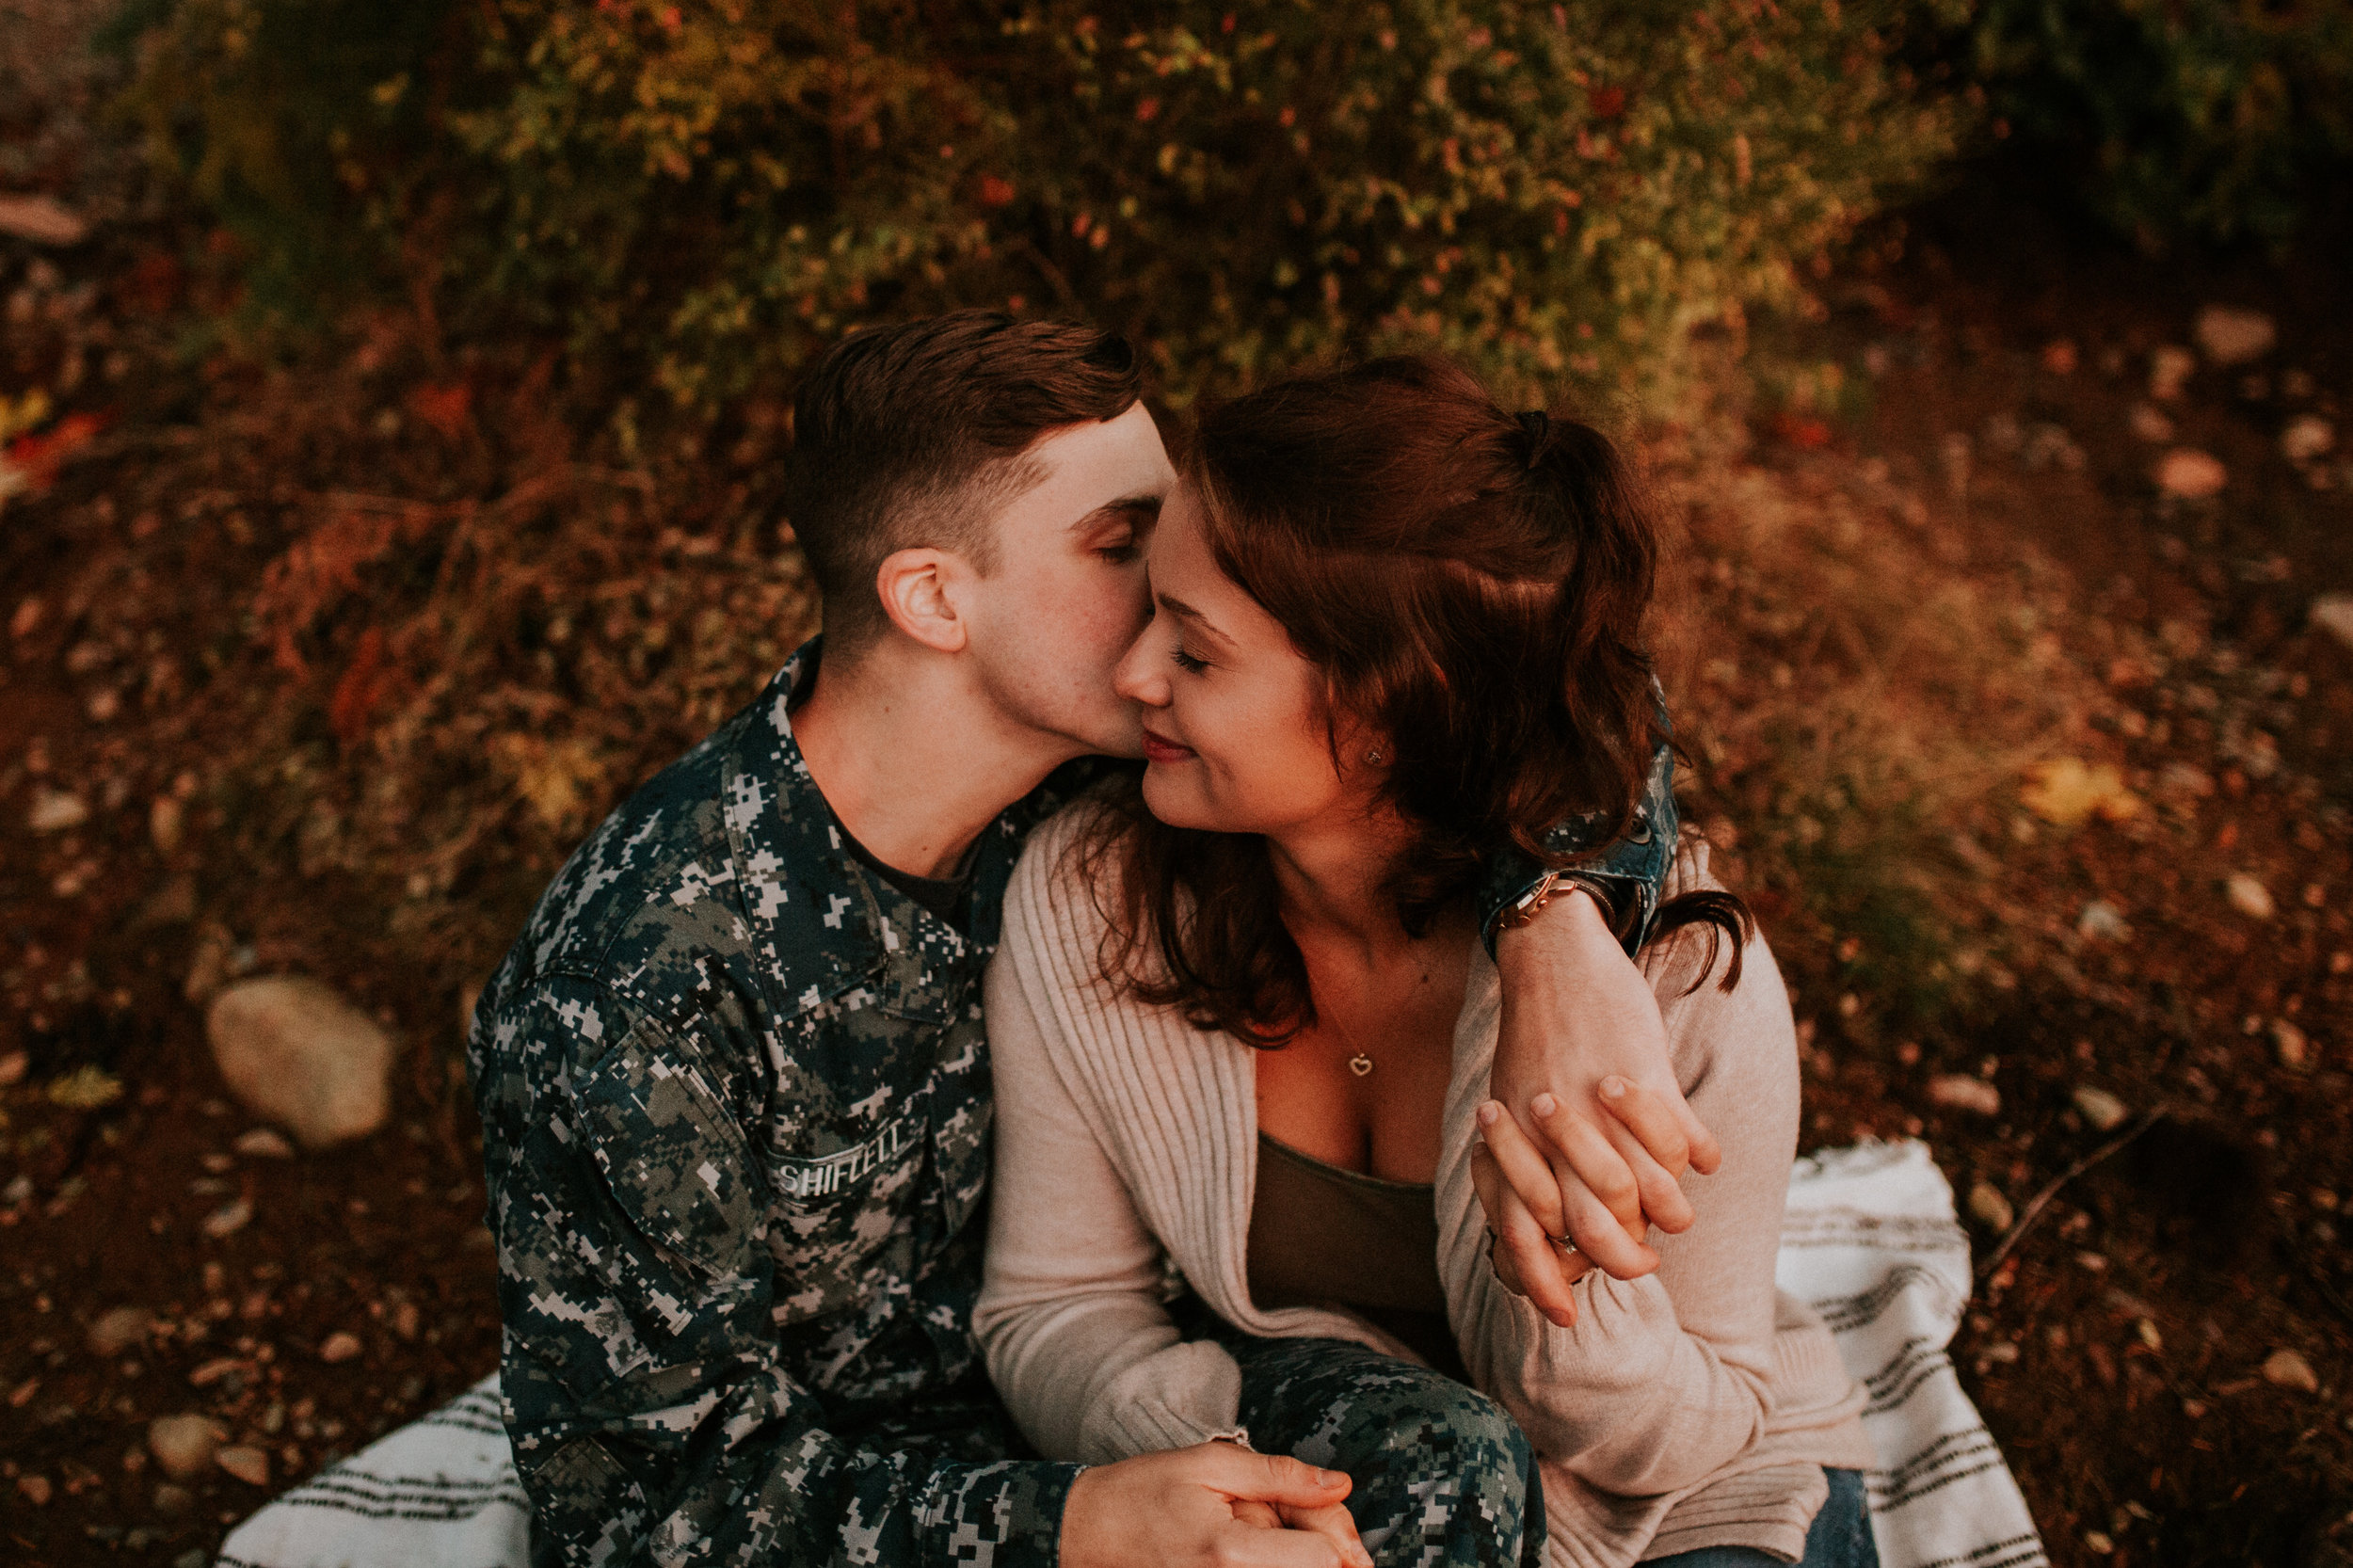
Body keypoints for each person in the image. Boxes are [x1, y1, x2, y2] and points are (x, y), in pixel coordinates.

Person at [467, 312, 1721, 1568]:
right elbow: (637, 1515)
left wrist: (1559, 929)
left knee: (1444, 1466)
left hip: (1139, 1384)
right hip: (880, 1515)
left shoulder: (1127, 767)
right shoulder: (641, 978)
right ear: (933, 598)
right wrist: (1078, 1526)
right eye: (1125, 542)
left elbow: (1535, 683)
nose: (1195, 574)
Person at [974, 357, 1880, 1568]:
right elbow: (1053, 1307)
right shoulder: (1096, 895)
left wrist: (1570, 1296)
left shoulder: (1676, 979)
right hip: (1319, 1503)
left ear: (1395, 704)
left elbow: (1693, 1432)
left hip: (1674, 1512)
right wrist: (1252, 1449)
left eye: (1194, 654)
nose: (1131, 674)